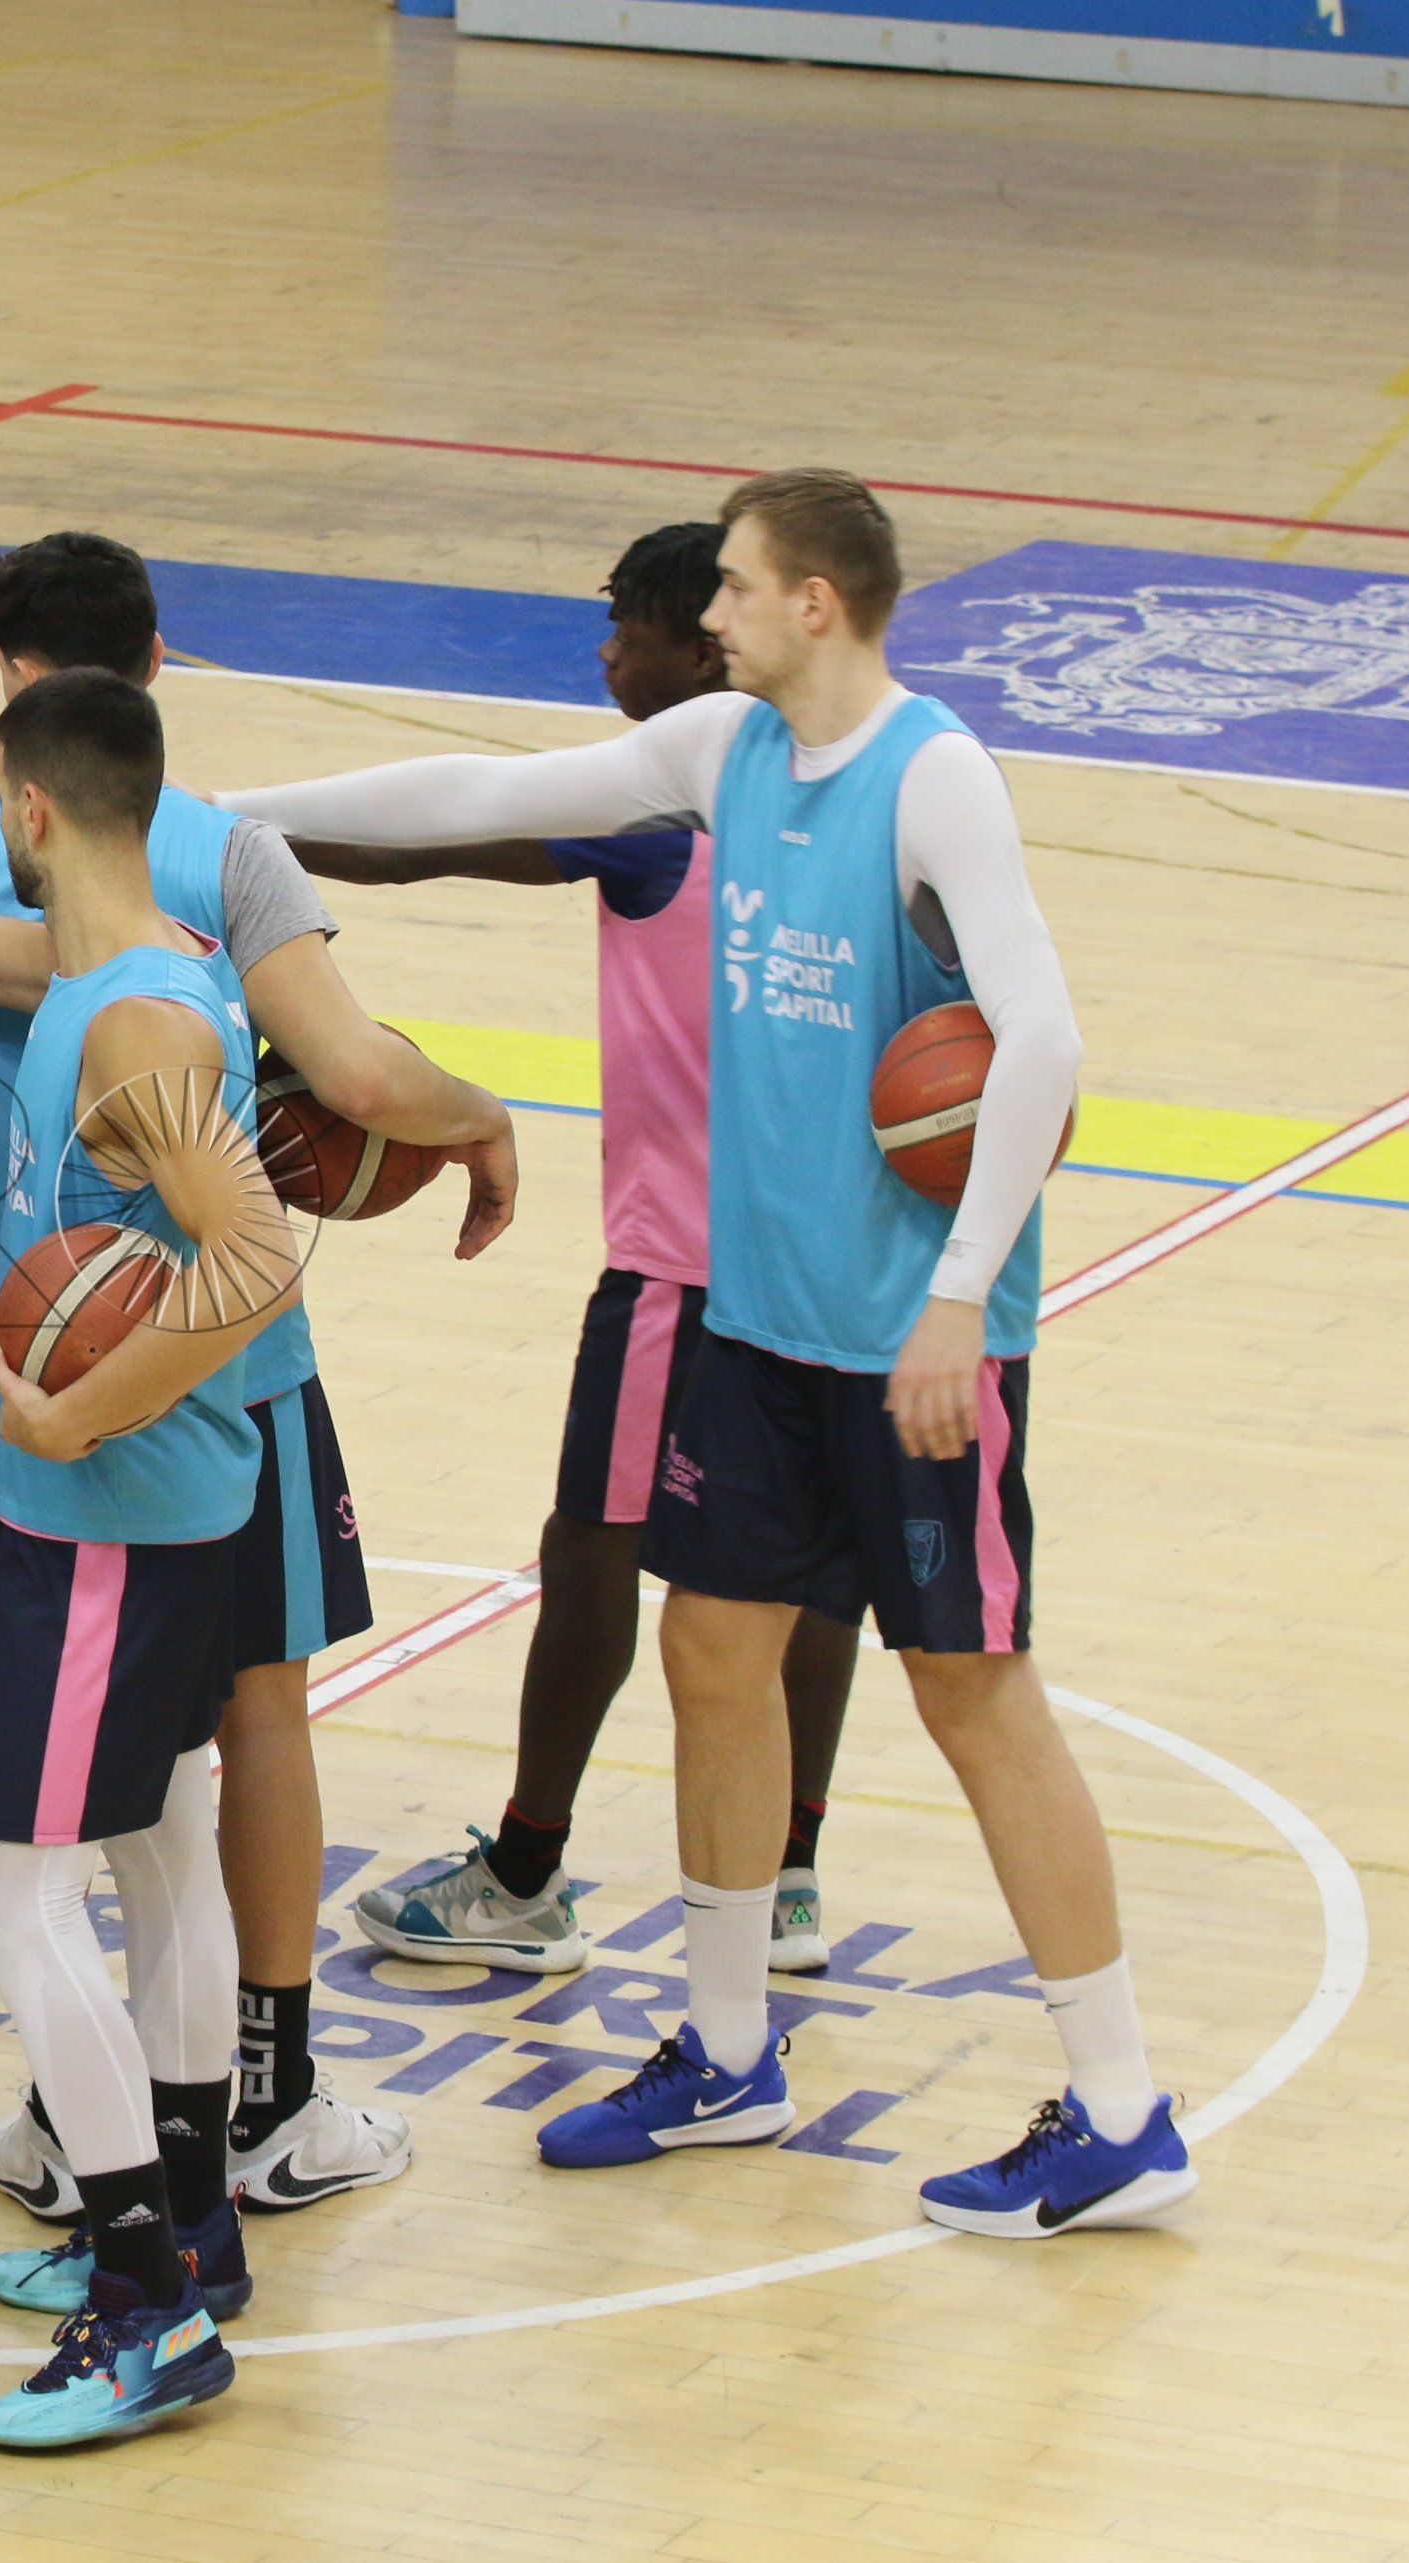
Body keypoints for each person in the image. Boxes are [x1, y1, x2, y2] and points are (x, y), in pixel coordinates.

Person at [219, 469, 1192, 2239]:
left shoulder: (932, 777)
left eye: (736, 586)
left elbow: (1041, 1044)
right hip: (751, 1325)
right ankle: (728, 2052)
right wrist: (216, 823)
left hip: (906, 1343)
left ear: (816, 600)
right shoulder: (721, 751)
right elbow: (482, 794)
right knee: (715, 1653)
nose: (711, 611)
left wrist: (960, 1297)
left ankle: (1120, 2102)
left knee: (976, 1692)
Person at [0, 531, 499, 2219]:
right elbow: (353, 1070)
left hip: (45, 1396)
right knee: (240, 1726)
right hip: (227, 1396)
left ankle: (116, 2141)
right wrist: (478, 1117)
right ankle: (253, 2096)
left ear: (8, 702)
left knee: (81, 1815)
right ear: (155, 664)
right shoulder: (220, 858)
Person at [0, 670, 316, 2450]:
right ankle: (189, 2221)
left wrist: (66, 1412)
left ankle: (143, 2306)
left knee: (12, 1892)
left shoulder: (138, 1032)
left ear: (29, 808)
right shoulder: (125, 968)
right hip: (164, 1517)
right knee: (157, 1843)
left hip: (104, 1521)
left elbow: (258, 1262)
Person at [311, 523, 869, 1976]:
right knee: (807, 1568)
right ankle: (794, 1867)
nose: (604, 649)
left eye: (624, 624)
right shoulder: (851, 790)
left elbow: (409, 847)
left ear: (701, 651)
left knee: (592, 1551)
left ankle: (524, 1869)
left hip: (685, 1273)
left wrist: (212, 836)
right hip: (829, 1267)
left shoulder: (657, 816)